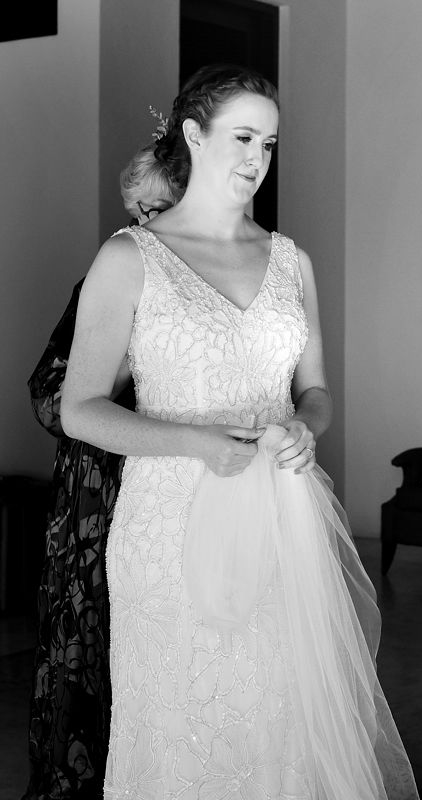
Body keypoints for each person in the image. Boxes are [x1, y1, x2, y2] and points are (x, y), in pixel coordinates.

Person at [60, 64, 418, 799]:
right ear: (194, 135)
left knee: (279, 707)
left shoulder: (291, 260)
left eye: (271, 142)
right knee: (188, 709)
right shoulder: (130, 257)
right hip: (170, 521)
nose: (257, 158)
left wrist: (302, 427)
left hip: (282, 515)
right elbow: (81, 408)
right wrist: (199, 443)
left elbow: (314, 392)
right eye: (243, 137)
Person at [22, 142, 177, 800]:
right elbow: (50, 396)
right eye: (134, 209)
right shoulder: (104, 282)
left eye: (159, 207)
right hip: (96, 494)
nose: (143, 223)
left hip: (179, 492)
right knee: (93, 644)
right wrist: (118, 361)